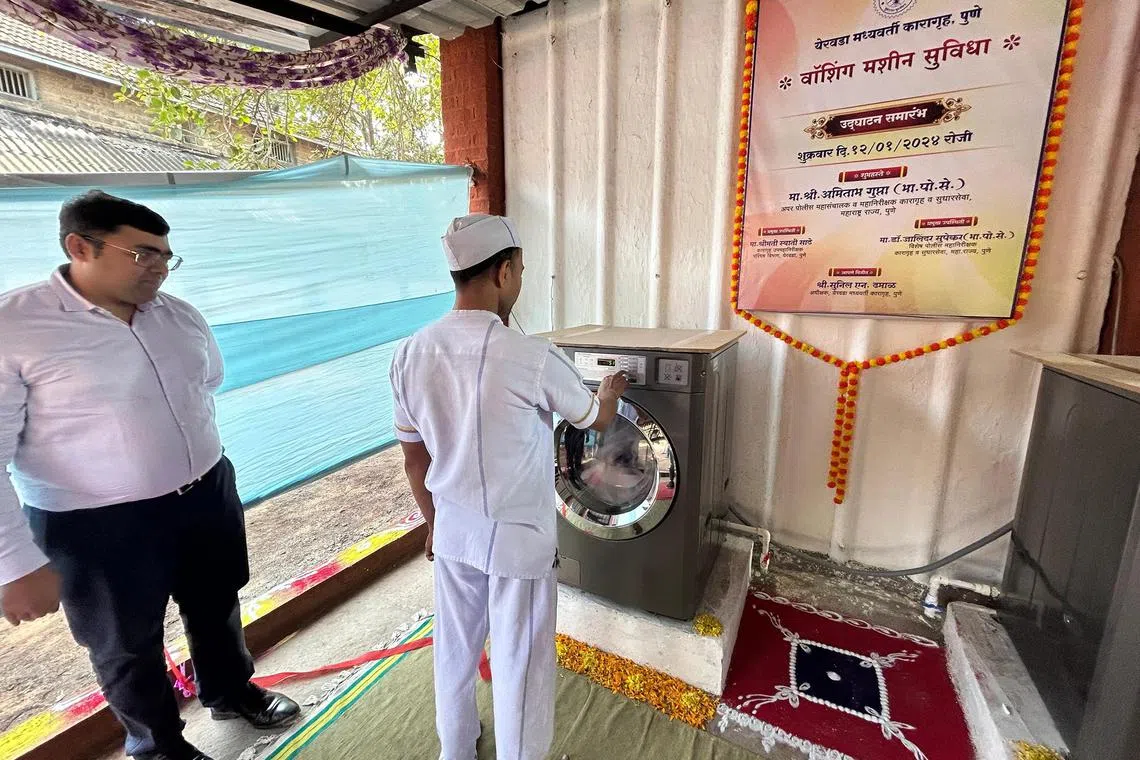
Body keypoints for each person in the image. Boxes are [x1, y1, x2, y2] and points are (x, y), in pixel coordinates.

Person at [0, 191, 300, 760]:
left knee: (216, 602)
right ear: (79, 247)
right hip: (95, 523)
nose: (160, 266)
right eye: (142, 253)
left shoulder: (179, 315)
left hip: (204, 493)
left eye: (166, 254)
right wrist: (14, 564)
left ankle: (230, 692)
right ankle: (158, 746)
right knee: (126, 644)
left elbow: (206, 385)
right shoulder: (16, 327)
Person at [390, 214, 629, 760]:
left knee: (454, 648)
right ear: (501, 273)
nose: (519, 282)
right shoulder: (530, 355)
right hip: (517, 538)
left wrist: (432, 524)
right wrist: (611, 389)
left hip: (452, 530)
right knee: (520, 660)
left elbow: (412, 458)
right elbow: (593, 418)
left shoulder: (410, 354)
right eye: (519, 271)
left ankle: (457, 748)